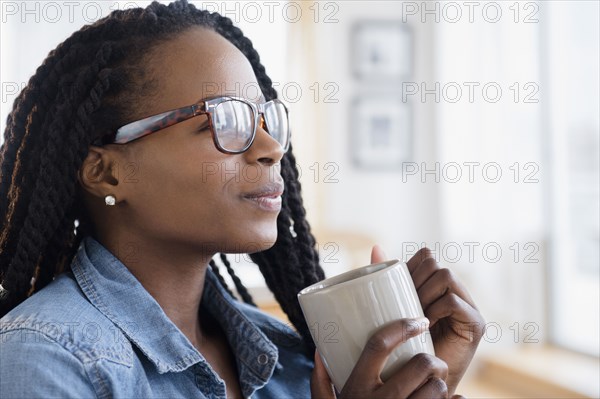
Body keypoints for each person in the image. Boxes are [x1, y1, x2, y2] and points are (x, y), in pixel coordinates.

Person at [0, 1, 485, 397]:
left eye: (266, 119)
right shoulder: (41, 360)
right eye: (225, 121)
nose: (272, 148)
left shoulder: (292, 357)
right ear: (107, 173)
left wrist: (422, 373)